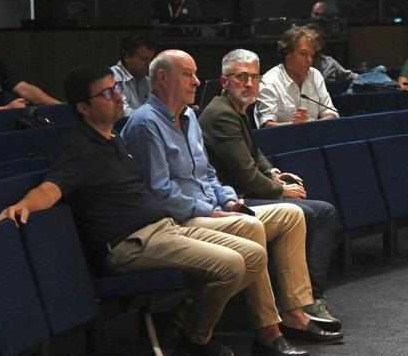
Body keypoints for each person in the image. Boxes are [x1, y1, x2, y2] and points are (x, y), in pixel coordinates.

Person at [0, 65, 300, 356]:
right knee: (232, 263)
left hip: (162, 229)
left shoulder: (113, 139)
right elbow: (51, 188)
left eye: (115, 89)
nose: (117, 96)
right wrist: (23, 204)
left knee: (254, 254)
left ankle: (180, 325)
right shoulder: (79, 148)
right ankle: (194, 340)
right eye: (106, 93)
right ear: (83, 108)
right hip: (130, 243)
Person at [121, 50, 343, 347]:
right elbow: (160, 192)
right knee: (252, 227)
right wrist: (212, 211)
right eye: (188, 74)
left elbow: (208, 173)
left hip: (212, 208)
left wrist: (227, 201)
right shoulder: (144, 124)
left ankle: (294, 312)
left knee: (292, 215)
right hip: (181, 218)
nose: (197, 81)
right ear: (162, 78)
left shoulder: (188, 116)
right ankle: (268, 331)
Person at [201, 49, 342, 330]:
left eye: (255, 76)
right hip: (233, 200)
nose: (250, 83)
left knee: (321, 211)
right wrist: (281, 191)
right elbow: (246, 175)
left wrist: (275, 173)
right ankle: (304, 300)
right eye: (242, 76)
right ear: (224, 81)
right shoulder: (220, 114)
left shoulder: (234, 109)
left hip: (245, 190)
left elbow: (256, 154)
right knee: (312, 213)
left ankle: (307, 298)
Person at [257, 25, 338, 126]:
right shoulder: (270, 80)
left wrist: (311, 123)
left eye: (311, 55)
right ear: (286, 53)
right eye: (303, 53)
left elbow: (331, 114)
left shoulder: (315, 75)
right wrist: (295, 125)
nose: (309, 60)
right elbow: (266, 124)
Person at [110, 33, 156, 114]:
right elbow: (123, 113)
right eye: (144, 59)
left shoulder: (148, 81)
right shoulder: (112, 77)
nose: (149, 64)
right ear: (127, 57)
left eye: (151, 59)